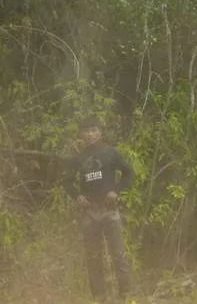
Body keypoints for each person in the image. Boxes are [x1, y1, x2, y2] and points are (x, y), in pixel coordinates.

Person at [64, 117, 134, 301]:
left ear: (100, 132)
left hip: (110, 210)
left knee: (119, 255)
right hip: (89, 213)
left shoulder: (111, 152)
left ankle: (125, 296)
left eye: (94, 130)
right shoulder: (78, 158)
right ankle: (99, 297)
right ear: (81, 134)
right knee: (93, 258)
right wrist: (77, 196)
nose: (90, 134)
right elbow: (67, 181)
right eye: (86, 131)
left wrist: (115, 191)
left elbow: (128, 173)